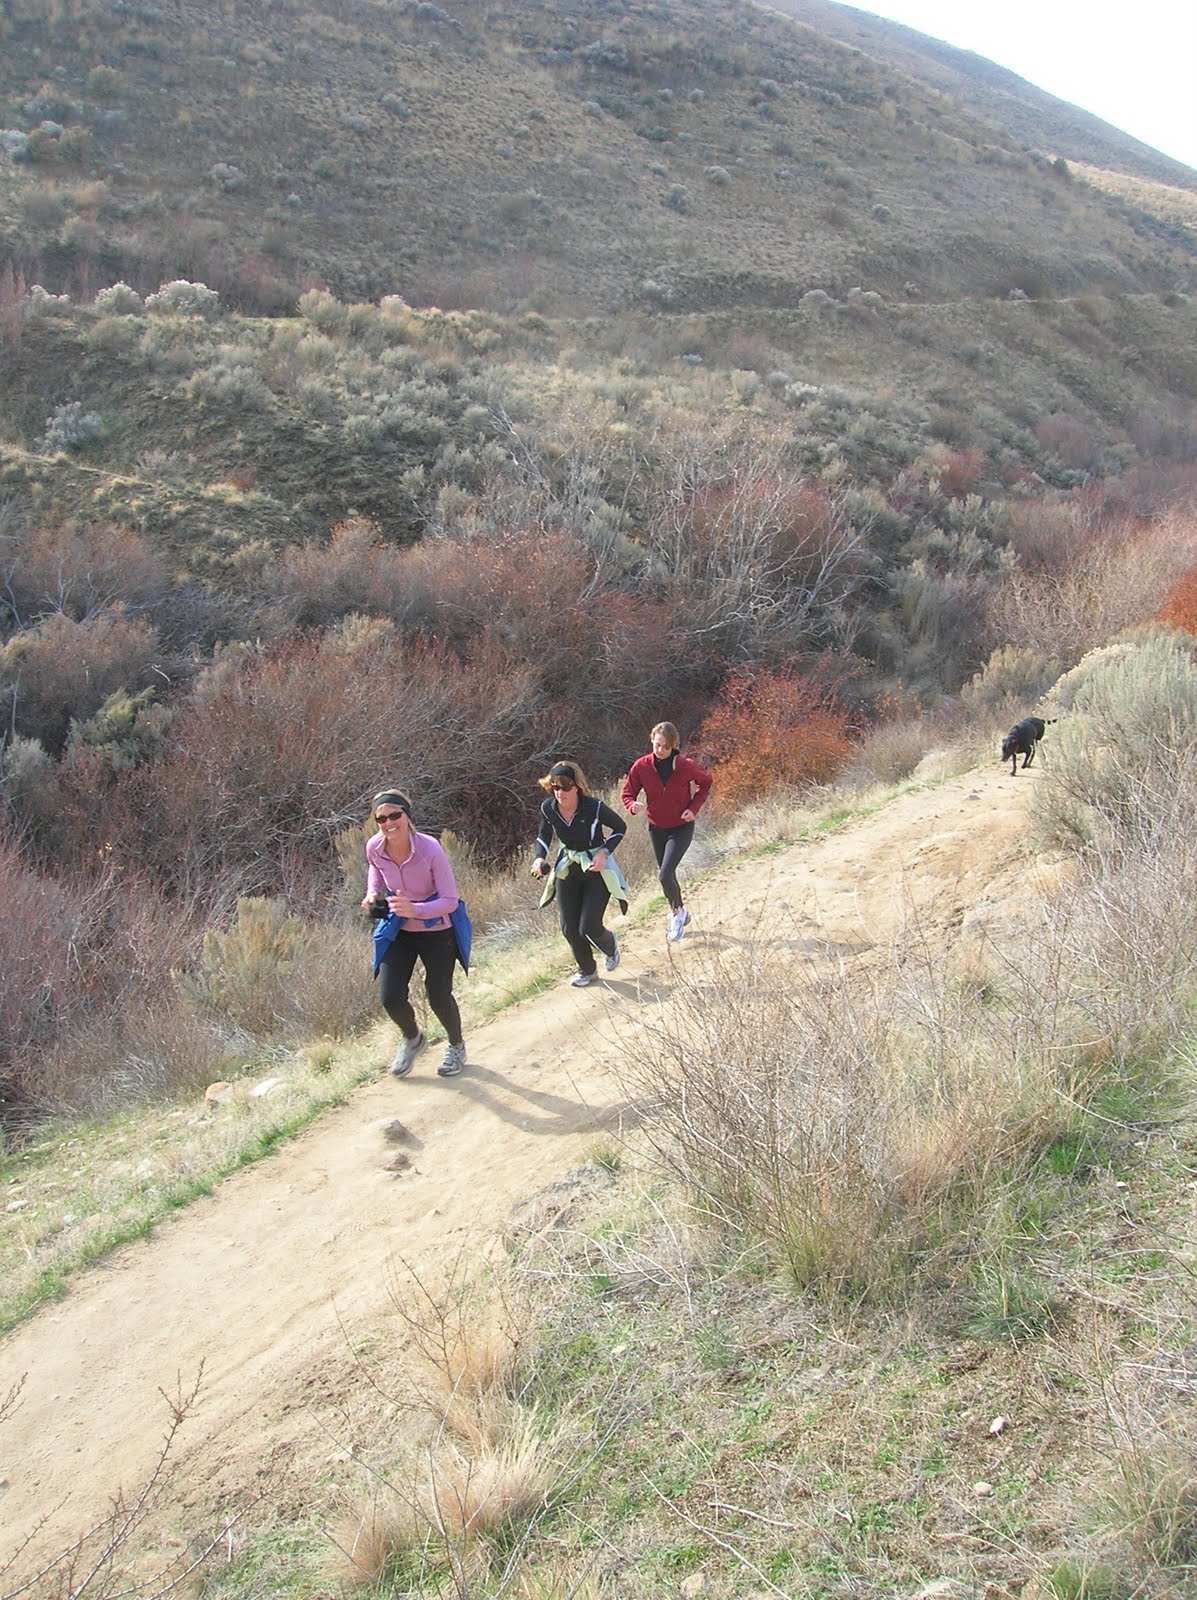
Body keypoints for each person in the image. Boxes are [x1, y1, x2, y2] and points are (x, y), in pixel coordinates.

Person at [362, 788, 467, 1078]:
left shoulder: (430, 849)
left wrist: (416, 909)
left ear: (407, 817)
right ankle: (413, 1038)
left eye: (395, 815)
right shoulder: (374, 846)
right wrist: (372, 894)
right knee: (390, 996)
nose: (388, 823)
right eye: (381, 818)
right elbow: (375, 869)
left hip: (437, 929)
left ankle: (456, 1046)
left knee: (438, 995)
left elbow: (450, 900)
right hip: (400, 928)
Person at [531, 761, 628, 988]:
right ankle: (587, 969)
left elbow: (620, 827)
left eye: (565, 786)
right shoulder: (548, 808)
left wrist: (604, 852)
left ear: (577, 787)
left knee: (589, 927)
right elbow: (544, 835)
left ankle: (609, 943)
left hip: (597, 868)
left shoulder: (593, 807)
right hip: (569, 866)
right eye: (555, 787)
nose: (559, 792)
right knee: (569, 927)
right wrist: (539, 858)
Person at [621, 721, 713, 942]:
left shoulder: (685, 766)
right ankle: (680, 911)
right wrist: (631, 805)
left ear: (673, 745)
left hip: (681, 828)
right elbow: (628, 792)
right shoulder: (641, 766)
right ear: (651, 741)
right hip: (656, 828)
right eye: (656, 745)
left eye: (664, 746)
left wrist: (693, 808)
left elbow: (705, 783)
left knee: (663, 874)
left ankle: (677, 916)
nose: (660, 750)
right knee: (666, 876)